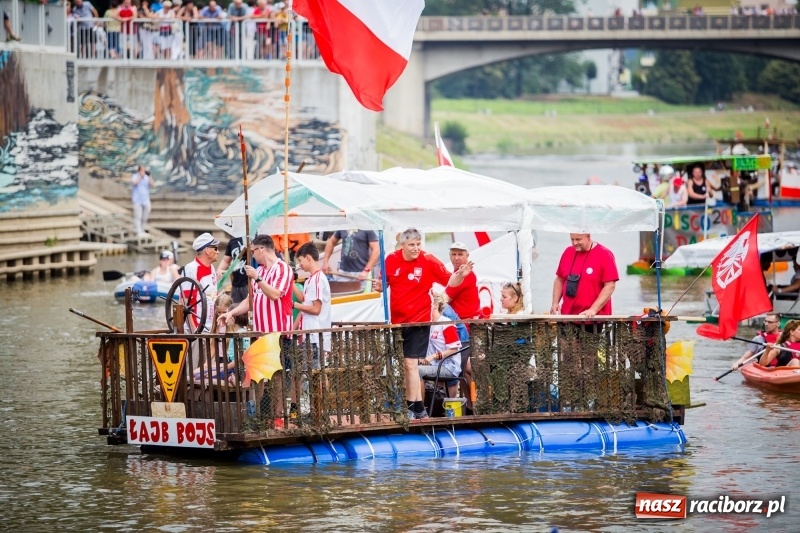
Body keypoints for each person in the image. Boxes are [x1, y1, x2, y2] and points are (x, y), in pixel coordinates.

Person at [372, 227, 473, 420]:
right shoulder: (391, 260)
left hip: (419, 320)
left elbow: (449, 281)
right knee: (407, 365)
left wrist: (461, 274)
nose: (416, 248)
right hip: (398, 322)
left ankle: (415, 408)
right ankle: (418, 407)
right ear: (403, 245)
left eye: (418, 244)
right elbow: (383, 284)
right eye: (411, 245)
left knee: (410, 363)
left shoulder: (428, 260)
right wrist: (379, 286)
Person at [550, 233, 618, 319]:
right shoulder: (568, 252)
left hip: (593, 317)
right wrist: (555, 303)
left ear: (588, 237)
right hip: (566, 315)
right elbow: (560, 279)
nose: (574, 243)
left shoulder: (605, 254)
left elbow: (610, 286)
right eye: (572, 239)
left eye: (578, 239)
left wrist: (593, 309)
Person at [293, 242, 331, 370]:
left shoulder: (318, 279)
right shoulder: (310, 279)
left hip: (315, 336)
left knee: (314, 374)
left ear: (308, 258)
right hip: (309, 335)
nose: (300, 265)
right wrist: (290, 283)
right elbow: (305, 301)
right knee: (310, 373)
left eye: (300, 260)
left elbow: (315, 309)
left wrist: (294, 305)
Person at [418, 294, 463, 399]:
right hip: (435, 365)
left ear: (435, 305)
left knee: (417, 371)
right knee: (410, 369)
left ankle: (419, 409)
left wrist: (433, 356)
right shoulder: (428, 324)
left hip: (449, 367)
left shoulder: (446, 323)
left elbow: (454, 349)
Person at [183, 232, 220, 334]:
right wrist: (194, 330)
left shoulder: (212, 268)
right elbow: (185, 301)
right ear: (207, 250)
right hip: (196, 327)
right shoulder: (191, 269)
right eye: (215, 249)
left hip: (210, 326)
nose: (218, 252)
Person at [443, 242, 481, 321]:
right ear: (449, 255)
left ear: (467, 256)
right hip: (464, 322)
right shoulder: (463, 273)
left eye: (460, 254)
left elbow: (444, 300)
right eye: (454, 254)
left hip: (464, 324)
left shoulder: (464, 275)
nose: (456, 258)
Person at [217, 236, 249, 305]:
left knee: (250, 310)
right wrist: (220, 269)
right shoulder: (233, 240)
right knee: (235, 309)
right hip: (236, 283)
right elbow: (226, 260)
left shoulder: (254, 237)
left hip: (249, 282)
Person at [131, 165, 154, 237]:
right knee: (138, 216)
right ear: (139, 171)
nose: (143, 172)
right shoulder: (135, 176)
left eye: (144, 170)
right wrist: (140, 176)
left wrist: (150, 176)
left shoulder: (147, 178)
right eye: (142, 170)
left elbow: (153, 185)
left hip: (146, 200)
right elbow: (134, 183)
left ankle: (142, 230)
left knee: (145, 217)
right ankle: (138, 231)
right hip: (137, 200)